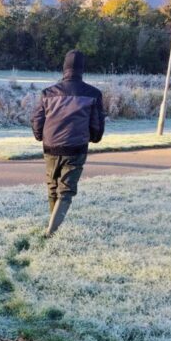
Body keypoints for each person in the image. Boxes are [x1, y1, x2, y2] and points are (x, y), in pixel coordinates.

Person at [30, 49, 105, 236]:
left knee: (53, 187)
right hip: (76, 149)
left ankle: (52, 226)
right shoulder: (93, 94)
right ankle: (51, 232)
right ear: (81, 69)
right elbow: (97, 125)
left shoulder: (48, 93)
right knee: (66, 191)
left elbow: (37, 119)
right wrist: (93, 137)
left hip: (50, 147)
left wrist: (40, 136)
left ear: (64, 68)